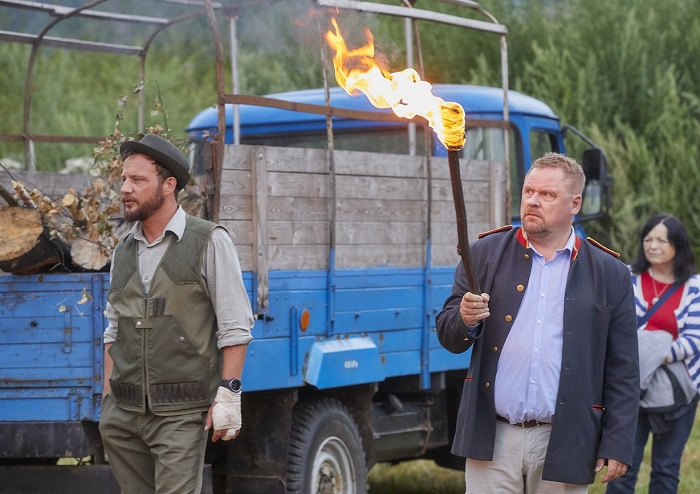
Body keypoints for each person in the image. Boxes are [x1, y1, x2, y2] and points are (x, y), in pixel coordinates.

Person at [436, 152, 640, 493]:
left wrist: (617, 442)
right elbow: (448, 334)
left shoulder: (610, 273)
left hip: (565, 439)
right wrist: (463, 318)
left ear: (575, 203)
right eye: (529, 191)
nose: (533, 201)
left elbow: (624, 367)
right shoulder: (485, 253)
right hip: (493, 435)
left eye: (547, 194)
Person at [98, 133, 254, 494]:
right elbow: (114, 327)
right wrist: (108, 398)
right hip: (123, 414)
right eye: (124, 178)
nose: (125, 188)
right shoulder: (123, 249)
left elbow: (235, 325)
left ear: (168, 185)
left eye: (138, 180)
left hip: (181, 413)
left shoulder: (208, 240)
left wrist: (229, 394)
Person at [606, 213, 700, 494]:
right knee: (621, 468)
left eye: (662, 240)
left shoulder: (694, 287)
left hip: (678, 392)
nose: (653, 245)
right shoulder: (626, 277)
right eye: (648, 239)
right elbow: (613, 326)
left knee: (666, 468)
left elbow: (694, 339)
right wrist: (653, 348)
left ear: (677, 245)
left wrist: (648, 352)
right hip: (629, 389)